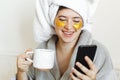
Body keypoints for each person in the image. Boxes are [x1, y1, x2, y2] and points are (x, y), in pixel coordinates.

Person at [16, 0, 117, 80]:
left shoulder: (100, 52)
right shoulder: (42, 49)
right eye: (62, 19)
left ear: (83, 23)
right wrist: (21, 72)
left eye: (76, 20)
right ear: (53, 21)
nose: (69, 26)